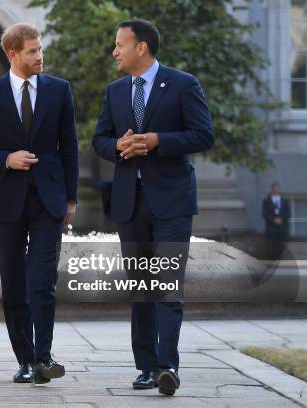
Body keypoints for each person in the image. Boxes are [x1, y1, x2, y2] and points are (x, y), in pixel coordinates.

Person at [92, 19, 214, 396]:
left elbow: (202, 134)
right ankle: (146, 367)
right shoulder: (114, 91)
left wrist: (159, 140)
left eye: (119, 45)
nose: (114, 51)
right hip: (130, 201)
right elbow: (99, 139)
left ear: (141, 47)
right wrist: (117, 146)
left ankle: (168, 366)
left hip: (172, 201)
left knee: (168, 284)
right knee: (141, 287)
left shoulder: (183, 84)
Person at [0, 23, 79, 385]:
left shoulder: (60, 90)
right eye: (32, 51)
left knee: (42, 280)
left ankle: (44, 356)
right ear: (13, 54)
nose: (39, 56)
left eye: (40, 49)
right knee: (14, 281)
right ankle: (25, 360)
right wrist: (5, 159)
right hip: (7, 199)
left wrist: (71, 197)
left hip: (49, 199)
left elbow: (69, 146)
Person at [262, 182, 290, 260]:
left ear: (280, 190)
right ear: (272, 189)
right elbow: (264, 214)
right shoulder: (266, 201)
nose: (276, 190)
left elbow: (288, 214)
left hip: (282, 229)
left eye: (278, 188)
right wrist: (274, 219)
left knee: (282, 250)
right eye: (274, 188)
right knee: (271, 250)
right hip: (271, 229)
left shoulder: (285, 201)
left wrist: (281, 219)